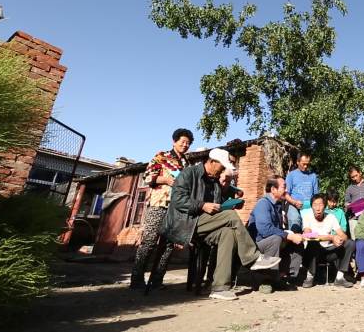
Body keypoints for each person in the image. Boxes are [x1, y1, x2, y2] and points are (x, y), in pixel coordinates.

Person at [161, 148, 281, 301]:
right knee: (230, 216)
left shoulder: (214, 181)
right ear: (212, 162)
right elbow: (178, 200)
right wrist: (202, 205)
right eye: (222, 167)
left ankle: (220, 287)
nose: (223, 170)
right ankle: (253, 258)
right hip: (184, 223)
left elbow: (217, 206)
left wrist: (230, 203)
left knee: (228, 233)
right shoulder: (189, 173)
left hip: (204, 224)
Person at [130, 128, 192, 290]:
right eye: (182, 141)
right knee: (149, 241)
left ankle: (157, 280)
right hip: (159, 203)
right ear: (174, 141)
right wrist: (166, 179)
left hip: (176, 208)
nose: (185, 145)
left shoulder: (187, 163)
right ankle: (136, 280)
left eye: (188, 143)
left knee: (168, 245)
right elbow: (147, 177)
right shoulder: (161, 156)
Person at [247, 175, 305, 293]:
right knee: (276, 238)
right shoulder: (263, 204)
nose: (287, 190)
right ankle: (265, 280)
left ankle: (283, 277)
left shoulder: (278, 206)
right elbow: (265, 230)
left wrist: (291, 236)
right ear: (273, 189)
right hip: (256, 245)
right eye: (284, 187)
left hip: (270, 242)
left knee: (297, 242)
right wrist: (288, 235)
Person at [301, 193, 356, 288]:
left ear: (325, 206)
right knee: (312, 242)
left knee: (350, 243)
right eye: (315, 205)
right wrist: (331, 237)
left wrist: (340, 239)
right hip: (312, 253)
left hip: (328, 252)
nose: (318, 208)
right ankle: (310, 276)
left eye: (320, 204)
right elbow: (308, 235)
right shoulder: (307, 217)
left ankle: (339, 277)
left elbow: (343, 235)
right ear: (311, 206)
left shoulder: (331, 217)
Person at [284, 152, 318, 233]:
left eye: (307, 164)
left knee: (310, 228)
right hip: (294, 206)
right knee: (295, 222)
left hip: (309, 207)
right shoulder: (291, 175)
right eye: (303, 164)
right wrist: (294, 202)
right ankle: (294, 242)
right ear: (298, 162)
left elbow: (316, 195)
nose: (306, 166)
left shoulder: (313, 176)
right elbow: (285, 194)